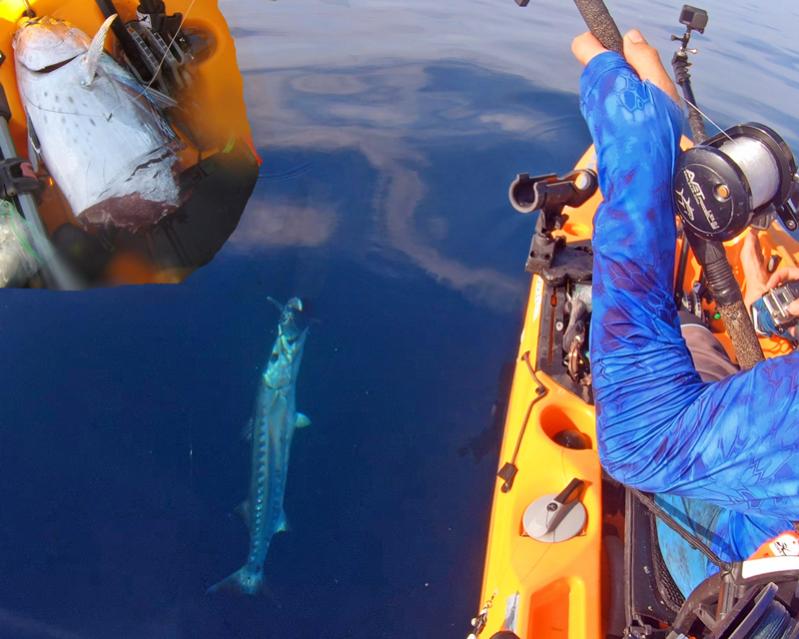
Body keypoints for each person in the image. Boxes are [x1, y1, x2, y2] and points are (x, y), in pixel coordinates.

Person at [571, 28, 799, 596]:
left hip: (729, 562)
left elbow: (639, 438)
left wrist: (640, 123)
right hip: (760, 493)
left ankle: (707, 314)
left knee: (695, 342)